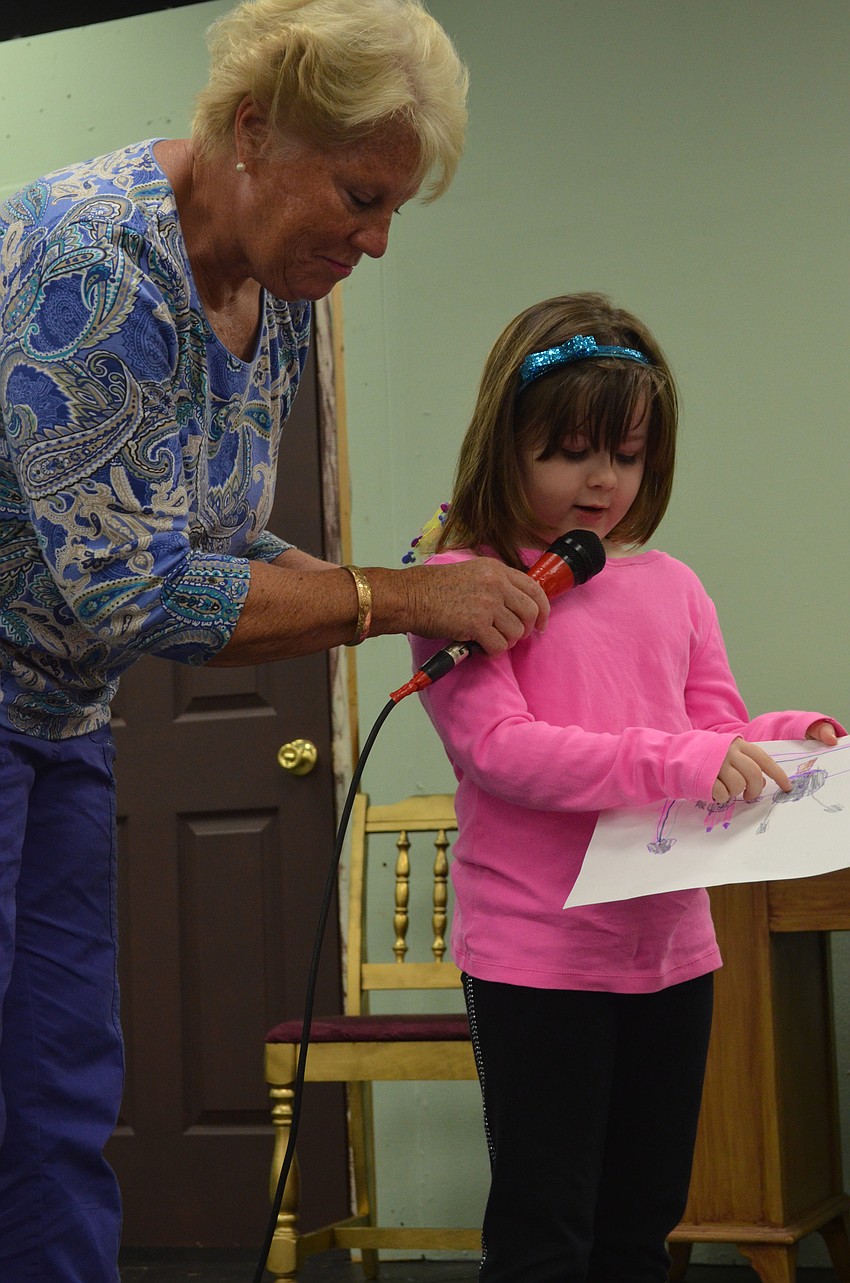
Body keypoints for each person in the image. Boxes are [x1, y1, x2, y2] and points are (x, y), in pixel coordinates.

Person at [0, 3, 551, 1280]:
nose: (374, 239)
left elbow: (214, 539)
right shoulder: (94, 260)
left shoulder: (276, 288)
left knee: (59, 1098)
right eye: (360, 195)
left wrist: (426, 589)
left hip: (58, 715)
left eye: (391, 211)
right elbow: (138, 595)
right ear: (254, 128)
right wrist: (401, 602)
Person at [407, 292, 844, 1283]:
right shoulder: (458, 585)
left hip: (671, 954)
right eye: (566, 448)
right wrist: (680, 760)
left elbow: (709, 731)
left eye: (628, 452)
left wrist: (790, 737)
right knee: (544, 1233)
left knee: (641, 1228)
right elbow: (504, 750)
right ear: (504, 444)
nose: (601, 477)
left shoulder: (672, 585)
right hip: (535, 959)